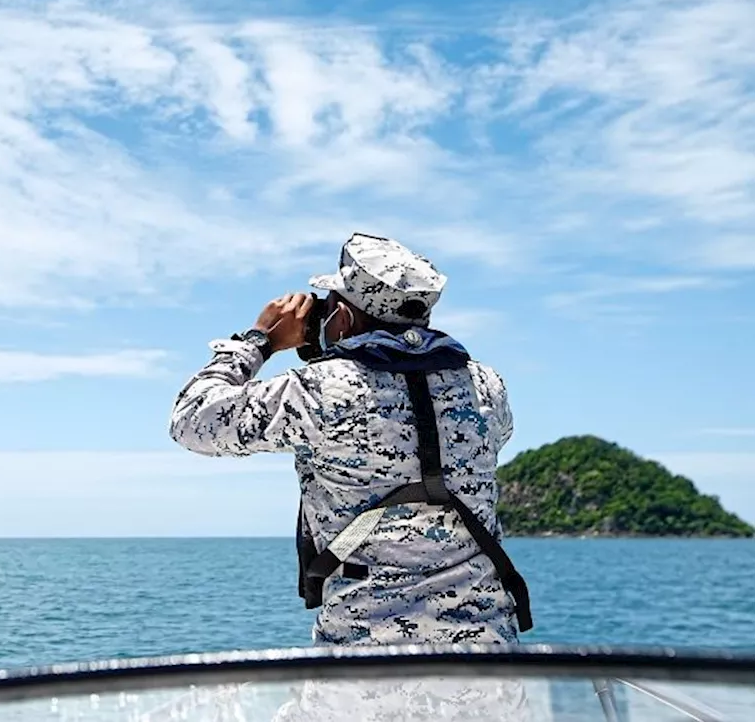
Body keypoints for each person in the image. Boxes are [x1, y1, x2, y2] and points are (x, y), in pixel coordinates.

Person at [168, 232, 531, 648]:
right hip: (488, 662)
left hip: (366, 665)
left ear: (340, 316)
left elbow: (193, 420)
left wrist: (260, 341)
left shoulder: (321, 389)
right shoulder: (487, 385)